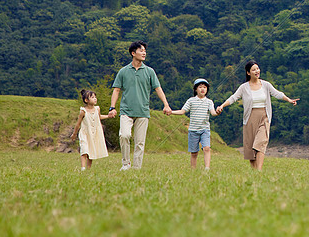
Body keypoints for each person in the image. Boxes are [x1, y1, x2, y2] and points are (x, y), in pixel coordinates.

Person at [216, 61, 298, 171]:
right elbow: (233, 98)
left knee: (260, 144)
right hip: (249, 119)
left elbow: (277, 93)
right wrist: (222, 106)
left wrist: (289, 100)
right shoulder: (244, 87)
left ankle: (259, 171)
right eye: (254, 69)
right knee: (250, 149)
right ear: (248, 73)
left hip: (264, 116)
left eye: (258, 68)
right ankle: (254, 172)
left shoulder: (266, 85)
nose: (257, 71)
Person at [108, 41, 172, 170]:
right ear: (133, 53)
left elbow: (158, 89)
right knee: (124, 135)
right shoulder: (123, 71)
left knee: (140, 142)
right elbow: (116, 90)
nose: (144, 53)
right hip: (126, 111)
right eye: (141, 50)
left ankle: (137, 168)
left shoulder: (149, 71)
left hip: (143, 111)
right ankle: (125, 164)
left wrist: (166, 104)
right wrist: (112, 107)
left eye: (145, 51)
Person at [170, 78, 218, 171]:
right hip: (193, 130)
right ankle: (193, 170)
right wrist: (171, 112)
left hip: (205, 129)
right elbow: (182, 111)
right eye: (200, 87)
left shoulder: (209, 102)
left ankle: (207, 169)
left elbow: (213, 113)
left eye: (204, 87)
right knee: (194, 152)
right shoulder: (191, 101)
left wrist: (218, 112)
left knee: (207, 148)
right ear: (196, 89)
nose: (202, 89)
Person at [70, 89, 112, 171]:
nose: (95, 98)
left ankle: (88, 169)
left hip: (93, 134)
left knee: (91, 151)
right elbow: (78, 124)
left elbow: (99, 117)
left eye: (95, 97)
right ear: (86, 100)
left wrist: (108, 116)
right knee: (84, 150)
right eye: (92, 97)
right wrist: (74, 134)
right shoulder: (83, 111)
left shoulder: (97, 109)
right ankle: (83, 168)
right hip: (85, 133)